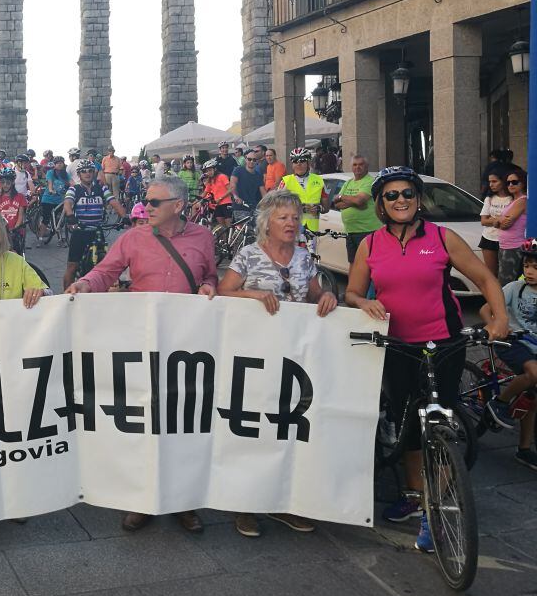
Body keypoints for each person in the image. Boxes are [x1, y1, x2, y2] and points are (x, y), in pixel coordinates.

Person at [344, 166, 508, 551]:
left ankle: (442, 497)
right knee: (409, 423)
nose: (401, 200)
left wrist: (499, 317)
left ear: (418, 199)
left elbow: (486, 279)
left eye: (408, 194)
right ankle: (416, 497)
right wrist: (365, 300)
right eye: (392, 195)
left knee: (443, 420)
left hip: (444, 343)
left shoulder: (441, 237)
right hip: (398, 345)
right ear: (381, 204)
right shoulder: (370, 244)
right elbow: (351, 291)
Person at [66, 175, 216, 534]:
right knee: (144, 422)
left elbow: (208, 275)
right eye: (146, 201)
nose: (146, 207)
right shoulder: (132, 237)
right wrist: (85, 283)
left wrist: (210, 284)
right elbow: (106, 271)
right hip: (143, 342)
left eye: (153, 202)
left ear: (177, 206)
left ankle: (184, 502)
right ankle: (141, 500)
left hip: (186, 344)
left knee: (182, 423)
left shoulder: (202, 238)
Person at [219, 190, 338, 537]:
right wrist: (252, 294)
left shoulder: (304, 258)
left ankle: (285, 503)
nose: (291, 223)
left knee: (288, 427)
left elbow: (314, 293)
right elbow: (224, 292)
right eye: (283, 217)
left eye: (295, 217)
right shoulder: (248, 256)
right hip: (255, 355)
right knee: (253, 428)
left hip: (296, 356)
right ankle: (245, 505)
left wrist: (327, 295)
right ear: (267, 223)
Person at [481, 238, 537, 469]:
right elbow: (486, 309)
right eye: (527, 266)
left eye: (535, 267)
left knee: (533, 397)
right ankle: (500, 403)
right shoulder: (515, 288)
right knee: (534, 373)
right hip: (512, 342)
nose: (530, 271)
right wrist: (496, 326)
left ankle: (524, 449)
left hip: (533, 346)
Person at [62, 158, 127, 290]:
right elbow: (68, 204)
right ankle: (65, 295)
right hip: (80, 231)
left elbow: (113, 202)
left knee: (104, 266)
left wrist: (125, 216)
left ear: (94, 173)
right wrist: (70, 216)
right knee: (72, 266)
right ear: (79, 175)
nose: (87, 174)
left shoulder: (101, 188)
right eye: (84, 171)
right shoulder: (74, 189)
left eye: (90, 171)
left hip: (97, 231)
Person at [332, 155, 380, 263]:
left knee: (369, 265)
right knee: (354, 264)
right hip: (351, 232)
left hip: (368, 231)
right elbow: (337, 204)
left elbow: (359, 201)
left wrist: (341, 197)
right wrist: (355, 203)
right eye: (355, 165)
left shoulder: (370, 181)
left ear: (367, 166)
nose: (357, 167)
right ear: (351, 167)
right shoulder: (348, 183)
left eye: (361, 164)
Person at [280, 147, 328, 233]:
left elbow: (326, 207)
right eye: (295, 161)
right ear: (292, 164)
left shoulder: (319, 180)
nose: (299, 164)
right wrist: (298, 209)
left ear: (308, 163)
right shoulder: (286, 181)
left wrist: (319, 208)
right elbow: (277, 206)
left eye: (302, 160)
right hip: (292, 228)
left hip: (313, 229)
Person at [495, 167, 528, 285]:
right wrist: (499, 221)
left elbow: (504, 225)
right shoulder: (512, 201)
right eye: (508, 182)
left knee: (505, 283)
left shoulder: (523, 200)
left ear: (523, 183)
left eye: (514, 182)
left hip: (514, 247)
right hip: (505, 246)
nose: (510, 185)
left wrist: (497, 220)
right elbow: (498, 222)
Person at [478, 168, 512, 277]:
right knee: (491, 273)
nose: (491, 184)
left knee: (505, 274)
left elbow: (509, 221)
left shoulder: (512, 199)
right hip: (488, 238)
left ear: (503, 181)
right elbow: (483, 221)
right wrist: (497, 220)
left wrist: (493, 219)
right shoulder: (489, 198)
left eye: (494, 181)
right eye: (490, 182)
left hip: (506, 239)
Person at [0, 168, 28, 254]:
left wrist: (15, 228)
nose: (5, 185)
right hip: (2, 231)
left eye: (8, 183)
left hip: (16, 231)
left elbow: (20, 215)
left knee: (16, 253)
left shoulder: (20, 197)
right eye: (3, 182)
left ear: (12, 183)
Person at [200, 159, 232, 227]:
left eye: (210, 170)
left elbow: (230, 189)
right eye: (207, 171)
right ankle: (223, 238)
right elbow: (204, 193)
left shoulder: (222, 176)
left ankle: (231, 237)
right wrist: (194, 201)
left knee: (228, 225)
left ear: (215, 169)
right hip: (218, 204)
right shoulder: (210, 180)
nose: (209, 172)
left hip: (226, 203)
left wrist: (220, 198)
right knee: (221, 227)